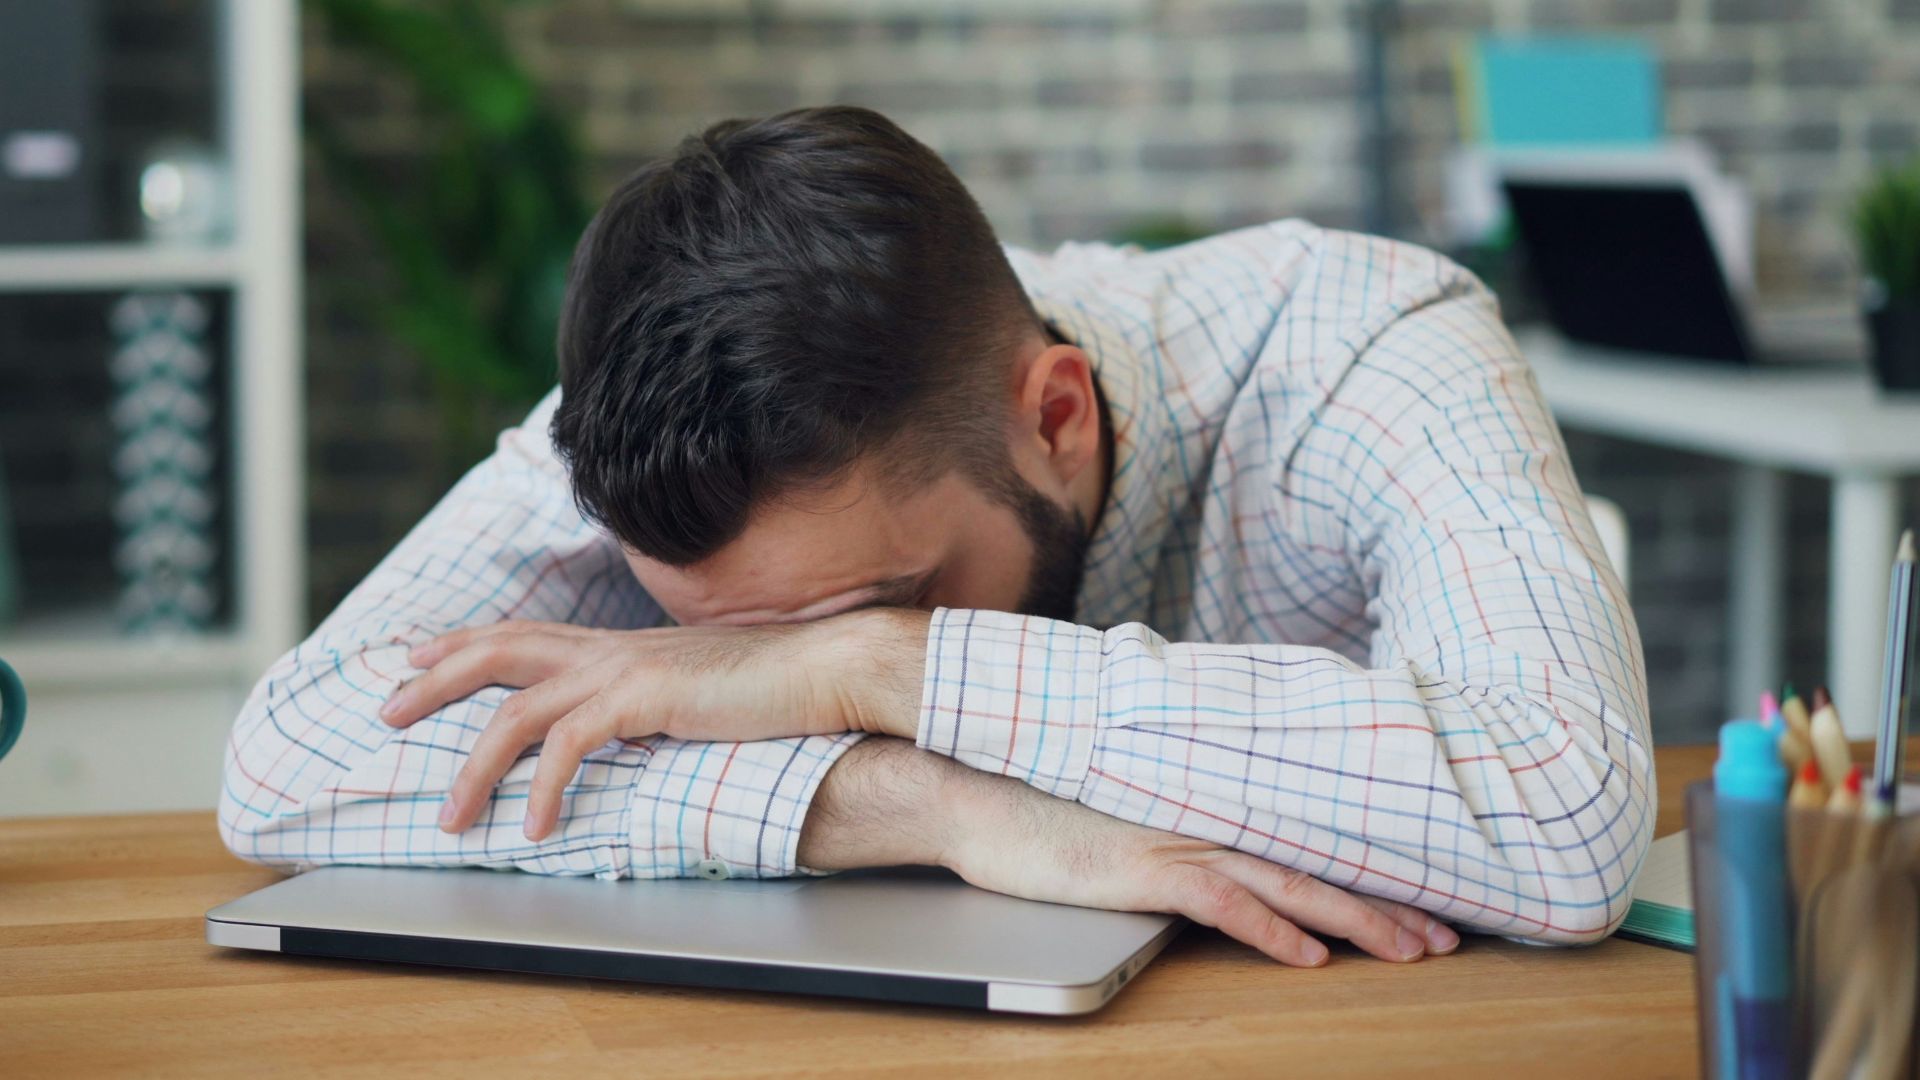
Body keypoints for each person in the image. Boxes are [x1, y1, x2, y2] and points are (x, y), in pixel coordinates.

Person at [219, 106, 1651, 968]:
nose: (760, 680)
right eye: (730, 644)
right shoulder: (649, 421)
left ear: (1058, 416)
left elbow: (1566, 812)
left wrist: (879, 670)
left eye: (865, 603)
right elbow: (287, 763)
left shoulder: (1368, 344)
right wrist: (923, 804)